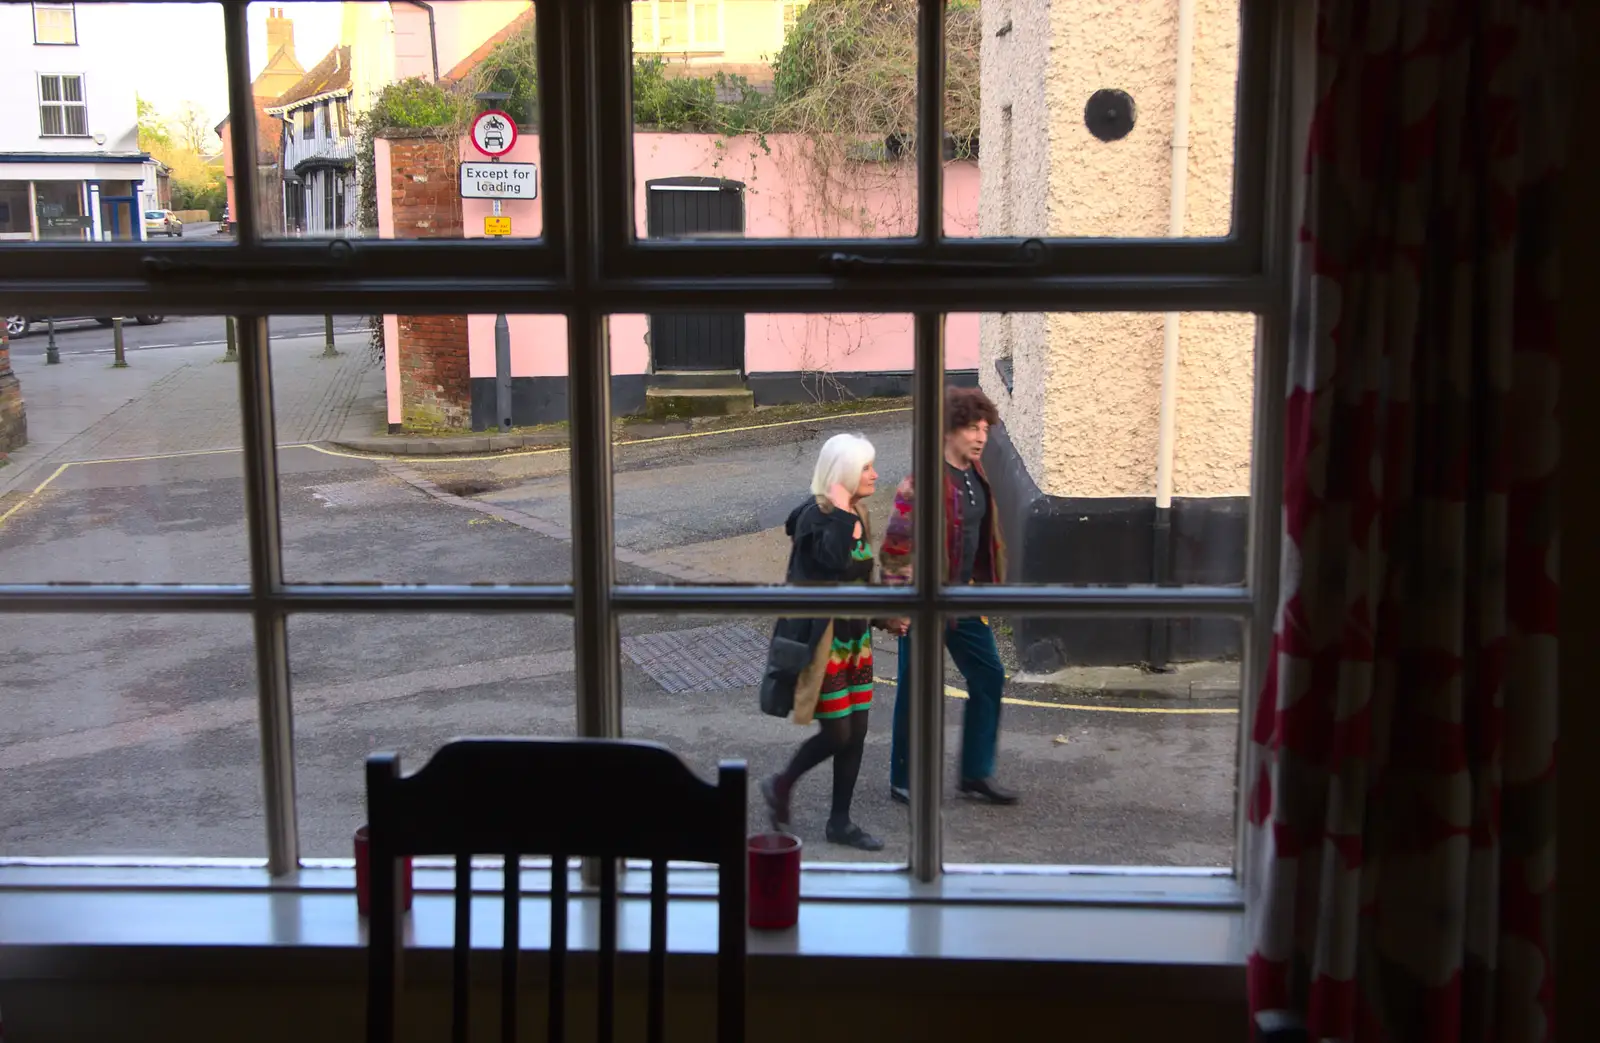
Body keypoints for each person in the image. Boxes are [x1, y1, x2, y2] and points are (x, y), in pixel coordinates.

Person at [757, 432, 901, 852]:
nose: (875, 474)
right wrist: (844, 515)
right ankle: (780, 783)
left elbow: (858, 582)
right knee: (837, 734)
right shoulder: (816, 520)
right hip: (823, 647)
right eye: (866, 468)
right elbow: (831, 567)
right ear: (842, 474)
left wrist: (884, 618)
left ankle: (840, 822)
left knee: (856, 733)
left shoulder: (856, 513)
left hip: (855, 643)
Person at [880, 386, 1019, 806]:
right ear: (948, 431)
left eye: (984, 429)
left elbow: (980, 538)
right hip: (924, 602)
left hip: (963, 600)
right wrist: (898, 607)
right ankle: (904, 777)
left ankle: (975, 773)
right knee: (916, 689)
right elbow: (895, 550)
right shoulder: (919, 484)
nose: (980, 437)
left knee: (989, 675)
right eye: (971, 428)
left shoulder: (977, 476)